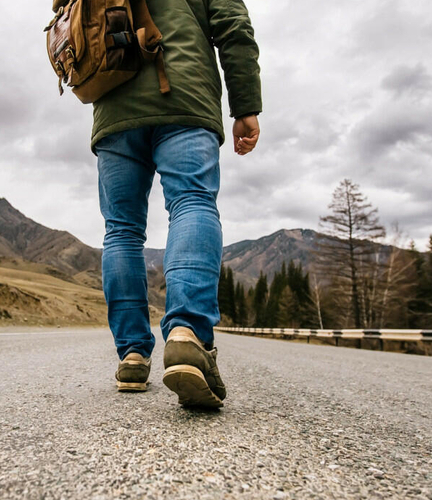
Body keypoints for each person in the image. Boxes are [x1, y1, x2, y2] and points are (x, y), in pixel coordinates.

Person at [94, 0, 261, 408]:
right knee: (192, 202)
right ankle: (188, 333)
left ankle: (133, 353)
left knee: (121, 231)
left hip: (114, 103)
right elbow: (233, 27)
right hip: (184, 95)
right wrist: (246, 106)